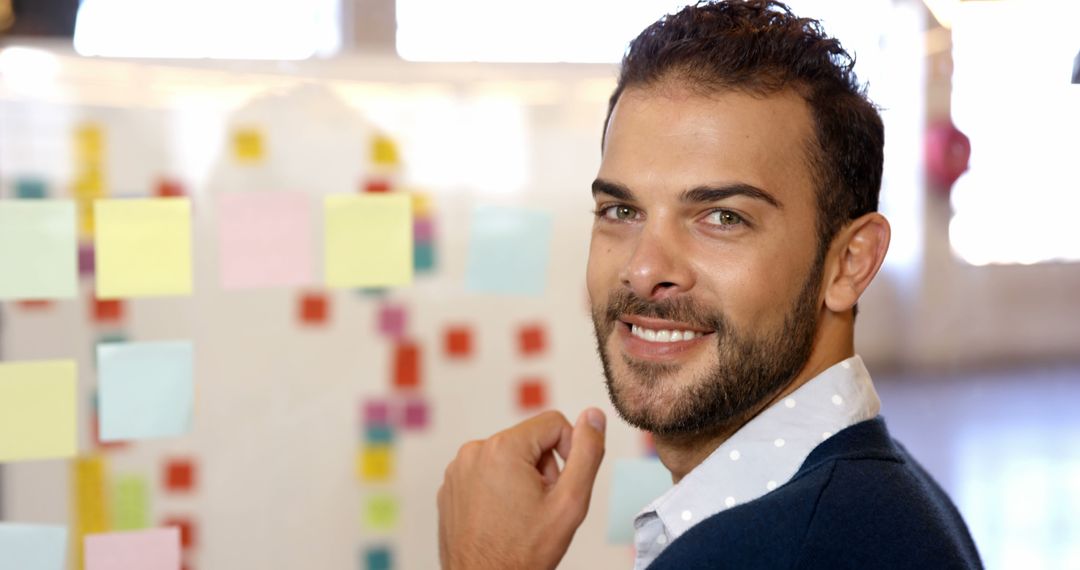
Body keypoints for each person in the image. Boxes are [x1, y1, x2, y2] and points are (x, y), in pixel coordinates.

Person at [436, 1, 983, 568]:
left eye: (723, 217)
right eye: (622, 211)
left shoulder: (752, 552)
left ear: (849, 262)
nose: (645, 270)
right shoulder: (886, 492)